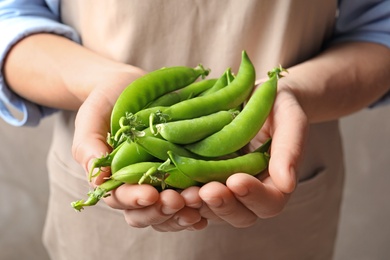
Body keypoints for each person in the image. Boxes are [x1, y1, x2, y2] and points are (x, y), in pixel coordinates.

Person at [1, 0, 389, 259]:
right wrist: (100, 81)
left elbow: (380, 28)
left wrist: (291, 90)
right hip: (103, 230)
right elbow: (10, 16)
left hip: (282, 201)